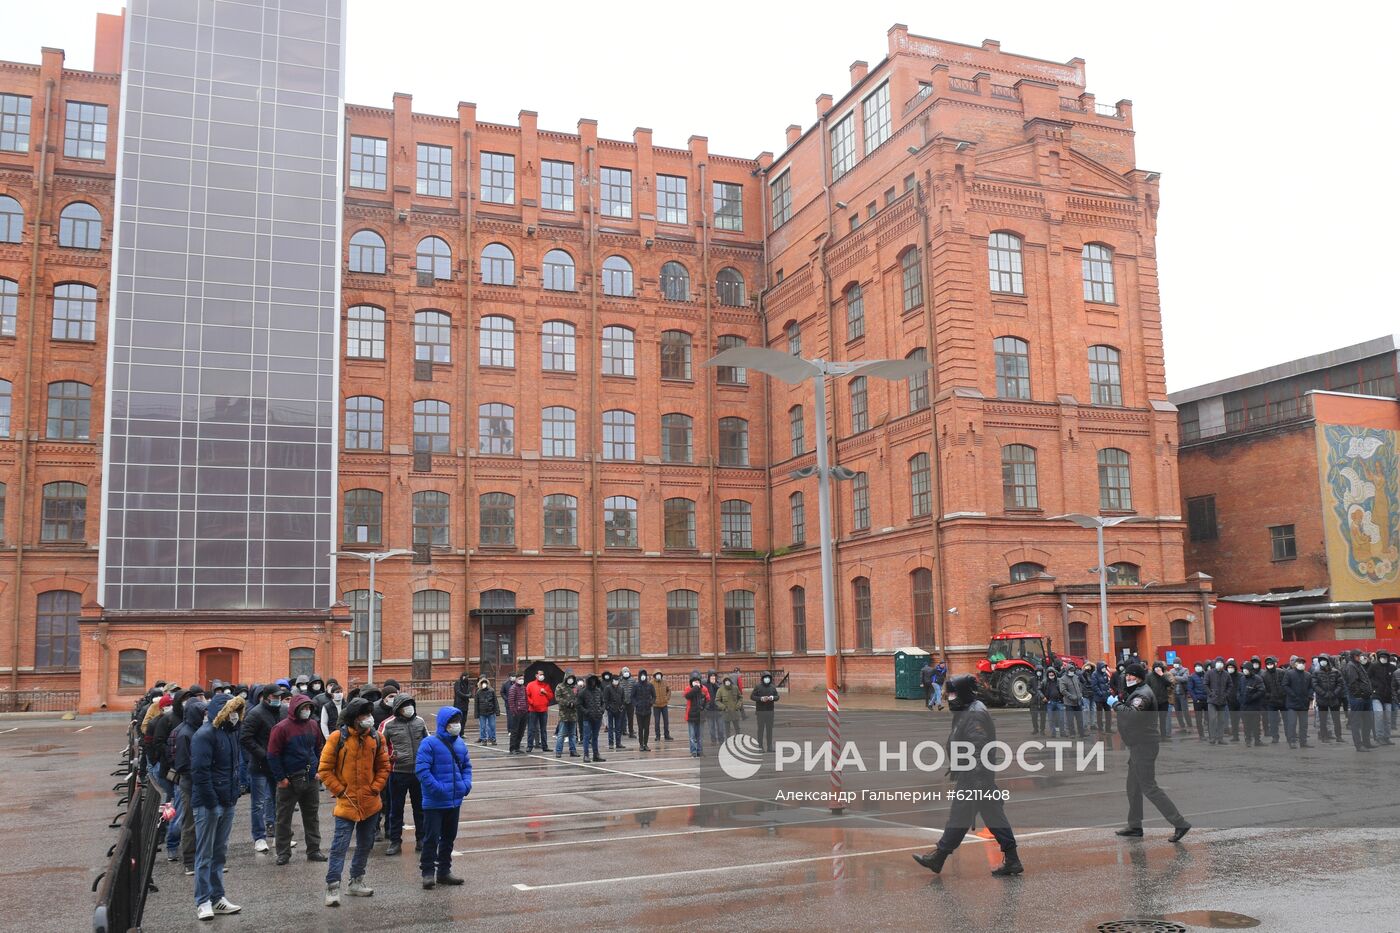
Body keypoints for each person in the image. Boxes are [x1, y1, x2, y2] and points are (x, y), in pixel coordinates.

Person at [912, 674, 1022, 877]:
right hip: (975, 775)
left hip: (975, 777)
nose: (950, 698)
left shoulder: (974, 714)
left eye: (953, 693)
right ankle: (1012, 860)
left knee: (960, 817)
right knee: (990, 817)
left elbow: (978, 746)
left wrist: (978, 779)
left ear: (963, 693)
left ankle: (939, 856)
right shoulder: (967, 710)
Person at [318, 697, 391, 907]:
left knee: (365, 845)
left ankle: (356, 881)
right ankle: (332, 887)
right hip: (346, 803)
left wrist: (375, 788)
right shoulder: (336, 738)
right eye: (364, 715)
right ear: (354, 718)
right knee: (339, 847)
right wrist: (340, 790)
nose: (368, 719)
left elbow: (384, 767)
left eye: (369, 715)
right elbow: (324, 769)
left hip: (370, 803)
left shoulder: (377, 738)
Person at [1110, 661, 1190, 843]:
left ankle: (1180, 823)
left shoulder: (1143, 694)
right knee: (1133, 786)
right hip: (1138, 744)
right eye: (1128, 675)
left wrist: (1115, 705)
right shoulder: (1137, 691)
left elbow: (1131, 714)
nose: (1129, 678)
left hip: (1144, 745)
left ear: (1139, 677)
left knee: (1149, 787)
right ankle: (1135, 825)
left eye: (1132, 676)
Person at [190, 693, 246, 921]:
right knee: (205, 854)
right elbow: (200, 773)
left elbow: (234, 766)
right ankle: (203, 901)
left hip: (227, 800)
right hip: (208, 804)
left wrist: (234, 794)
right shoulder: (204, 735)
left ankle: (217, 897)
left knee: (219, 853)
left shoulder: (231, 733)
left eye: (237, 712)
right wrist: (212, 803)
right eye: (230, 711)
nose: (234, 716)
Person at [266, 692, 326, 866]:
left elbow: (318, 748)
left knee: (312, 816)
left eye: (309, 708)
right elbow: (272, 755)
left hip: (310, 778)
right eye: (304, 708)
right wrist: (281, 778)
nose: (306, 711)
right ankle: (283, 852)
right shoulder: (281, 728)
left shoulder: (313, 725)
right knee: (284, 818)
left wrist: (317, 770)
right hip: (289, 780)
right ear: (295, 708)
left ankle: (314, 849)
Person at [416, 705, 472, 889]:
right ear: (443, 724)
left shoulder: (460, 744)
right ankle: (427, 873)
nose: (456, 725)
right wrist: (438, 789)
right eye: (452, 722)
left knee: (449, 837)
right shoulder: (429, 743)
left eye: (457, 721)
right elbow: (422, 770)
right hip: (434, 802)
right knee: (431, 838)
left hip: (454, 800)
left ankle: (444, 872)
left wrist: (465, 785)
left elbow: (466, 767)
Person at [240, 683, 287, 853]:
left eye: (279, 697)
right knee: (258, 803)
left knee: (277, 800)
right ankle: (259, 837)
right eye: (275, 697)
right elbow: (245, 738)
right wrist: (263, 754)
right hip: (259, 765)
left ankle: (277, 836)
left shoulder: (282, 711)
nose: (278, 700)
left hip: (276, 765)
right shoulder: (255, 714)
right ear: (266, 697)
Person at [380, 694, 427, 856]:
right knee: (395, 809)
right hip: (397, 773)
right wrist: (388, 759)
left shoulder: (420, 722)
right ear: (398, 708)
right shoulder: (388, 724)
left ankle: (421, 839)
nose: (409, 708)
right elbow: (378, 748)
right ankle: (395, 841)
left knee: (420, 808)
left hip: (418, 773)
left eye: (410, 704)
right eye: (405, 705)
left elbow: (428, 743)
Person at [169, 696, 207, 875]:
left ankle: (203, 859)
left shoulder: (198, 730)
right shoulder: (185, 733)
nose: (206, 716)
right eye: (203, 713)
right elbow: (183, 764)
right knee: (190, 823)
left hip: (199, 782)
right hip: (190, 784)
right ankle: (190, 861)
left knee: (203, 822)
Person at [1344, 649, 1375, 751]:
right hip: (1358, 698)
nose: (1360, 657)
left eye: (1361, 655)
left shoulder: (1358, 665)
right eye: (1358, 655)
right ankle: (1359, 745)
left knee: (1368, 721)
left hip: (1366, 697)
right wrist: (1360, 694)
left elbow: (1365, 680)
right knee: (1356, 723)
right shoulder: (1351, 666)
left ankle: (1366, 742)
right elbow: (1352, 683)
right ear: (1353, 656)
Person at [1282, 656, 1313, 749]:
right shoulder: (1289, 674)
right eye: (1299, 662)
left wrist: (1309, 696)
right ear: (1295, 664)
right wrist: (1292, 694)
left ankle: (1303, 742)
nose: (1301, 664)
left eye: (1303, 663)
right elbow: (1285, 685)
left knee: (1304, 725)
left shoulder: (1308, 675)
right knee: (1292, 723)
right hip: (1292, 704)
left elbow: (1311, 687)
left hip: (1304, 703)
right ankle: (1292, 741)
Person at [1313, 653, 1345, 743]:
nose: (1323, 662)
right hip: (1322, 699)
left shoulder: (1336, 672)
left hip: (1334, 699)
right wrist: (1324, 693)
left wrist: (1334, 693)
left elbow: (1340, 684)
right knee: (1323, 720)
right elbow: (1315, 685)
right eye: (1321, 660)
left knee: (1336, 719)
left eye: (1324, 660)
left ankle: (1339, 736)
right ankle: (1324, 736)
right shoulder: (1316, 672)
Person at [578, 674, 606, 762]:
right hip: (587, 719)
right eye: (591, 680)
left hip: (597, 717)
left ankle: (596, 754)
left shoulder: (599, 691)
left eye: (594, 680)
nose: (593, 682)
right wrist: (586, 712)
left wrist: (601, 710)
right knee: (586, 737)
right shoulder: (583, 692)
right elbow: (578, 704)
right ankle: (586, 755)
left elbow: (603, 702)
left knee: (595, 737)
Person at [1370, 649, 1395, 745]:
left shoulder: (1392, 668)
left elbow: (1395, 681)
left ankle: (1387, 737)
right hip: (1377, 695)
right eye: (1381, 657)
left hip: (1388, 696)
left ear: (1388, 658)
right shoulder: (1374, 666)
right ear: (1378, 657)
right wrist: (1375, 686)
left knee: (1388, 718)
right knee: (1379, 715)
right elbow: (1368, 678)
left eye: (1385, 657)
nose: (1383, 659)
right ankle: (1379, 737)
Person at [525, 671, 553, 753]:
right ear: (536, 675)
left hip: (543, 710)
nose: (542, 676)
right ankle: (529, 746)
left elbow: (551, 696)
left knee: (543, 729)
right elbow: (527, 696)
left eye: (543, 674)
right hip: (533, 710)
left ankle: (545, 746)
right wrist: (532, 703)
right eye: (540, 674)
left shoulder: (546, 685)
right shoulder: (530, 685)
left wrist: (545, 692)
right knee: (531, 729)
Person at [750, 671, 779, 751]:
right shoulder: (758, 687)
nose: (767, 679)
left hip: (770, 711)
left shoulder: (772, 687)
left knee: (769, 729)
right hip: (760, 711)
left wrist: (772, 698)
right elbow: (752, 696)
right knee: (761, 729)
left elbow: (777, 697)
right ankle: (760, 746)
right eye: (765, 678)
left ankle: (769, 746)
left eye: (768, 678)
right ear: (762, 679)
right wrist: (760, 699)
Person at [1240, 657, 1265, 747]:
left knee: (1256, 725)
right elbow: (1239, 691)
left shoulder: (1257, 679)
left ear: (1250, 670)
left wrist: (1252, 697)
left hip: (1255, 706)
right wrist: (1240, 699)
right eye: (1244, 669)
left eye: (1246, 669)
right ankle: (1248, 740)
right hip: (1244, 707)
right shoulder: (1242, 679)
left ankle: (1257, 740)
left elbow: (1262, 690)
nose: (1245, 671)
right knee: (1246, 725)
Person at [1204, 657, 1231, 745]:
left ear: (1224, 664)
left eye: (1221, 663)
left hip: (1222, 701)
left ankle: (1220, 738)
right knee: (1212, 719)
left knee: (1221, 720)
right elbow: (1205, 684)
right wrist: (1210, 693)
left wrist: (1226, 694)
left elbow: (1230, 685)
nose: (1219, 664)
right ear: (1215, 664)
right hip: (1212, 700)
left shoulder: (1226, 674)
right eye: (1218, 662)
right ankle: (1212, 738)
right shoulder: (1209, 673)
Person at [554, 674, 580, 757]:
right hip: (564, 714)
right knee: (561, 734)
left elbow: (579, 697)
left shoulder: (576, 687)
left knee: (572, 734)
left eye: (572, 678)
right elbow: (557, 697)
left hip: (573, 713)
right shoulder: (560, 686)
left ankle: (573, 751)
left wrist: (574, 703)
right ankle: (558, 751)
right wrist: (567, 703)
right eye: (569, 678)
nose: (570, 680)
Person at [602, 671, 627, 751]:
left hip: (619, 711)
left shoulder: (621, 688)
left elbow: (623, 699)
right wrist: (608, 707)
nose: (616, 681)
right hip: (611, 710)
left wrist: (622, 707)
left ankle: (618, 743)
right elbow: (605, 700)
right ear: (612, 681)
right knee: (610, 728)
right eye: (615, 680)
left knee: (618, 727)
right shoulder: (608, 688)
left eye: (617, 680)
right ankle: (611, 743)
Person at [684, 674, 708, 758]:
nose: (696, 683)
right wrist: (695, 688)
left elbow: (708, 699)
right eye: (694, 681)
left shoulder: (704, 689)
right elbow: (687, 696)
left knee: (700, 735)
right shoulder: (688, 689)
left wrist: (704, 709)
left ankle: (700, 750)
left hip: (700, 715)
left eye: (698, 681)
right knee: (692, 735)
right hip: (691, 715)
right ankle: (693, 751)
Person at [1146, 661, 1172, 739]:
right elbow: (1146, 687)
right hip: (1153, 701)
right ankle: (1154, 735)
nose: (1157, 669)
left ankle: (1163, 736)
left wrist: (1162, 675)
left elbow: (1169, 684)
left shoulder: (1164, 675)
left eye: (1159, 668)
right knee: (1153, 720)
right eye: (1156, 668)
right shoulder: (1149, 676)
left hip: (1163, 701)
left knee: (1163, 720)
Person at [505, 673, 529, 754]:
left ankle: (517, 747)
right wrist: (514, 711)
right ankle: (512, 748)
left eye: (522, 678)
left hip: (524, 712)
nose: (521, 680)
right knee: (514, 731)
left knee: (521, 731)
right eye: (520, 678)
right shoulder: (513, 688)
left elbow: (526, 699)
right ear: (516, 679)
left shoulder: (523, 688)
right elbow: (511, 701)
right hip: (516, 713)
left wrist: (526, 709)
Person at [632, 669, 655, 752]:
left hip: (647, 710)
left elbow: (654, 696)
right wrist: (636, 704)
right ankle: (641, 744)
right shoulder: (636, 685)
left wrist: (651, 703)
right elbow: (632, 697)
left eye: (644, 674)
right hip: (639, 711)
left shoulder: (650, 685)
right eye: (641, 674)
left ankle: (646, 744)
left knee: (647, 728)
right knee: (640, 728)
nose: (643, 676)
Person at [1187, 663, 1208, 741]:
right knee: (1198, 719)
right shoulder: (1192, 677)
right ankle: (1201, 735)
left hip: (1206, 700)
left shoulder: (1206, 675)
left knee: (1209, 718)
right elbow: (1190, 689)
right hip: (1198, 701)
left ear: (1202, 667)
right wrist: (1195, 699)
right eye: (1196, 666)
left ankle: (1210, 734)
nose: (1197, 668)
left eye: (1199, 666)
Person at [474, 677, 498, 745]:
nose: (484, 684)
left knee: (492, 726)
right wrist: (476, 714)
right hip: (482, 712)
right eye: (482, 683)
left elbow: (495, 701)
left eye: (485, 683)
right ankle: (483, 739)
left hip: (491, 712)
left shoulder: (492, 691)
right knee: (482, 727)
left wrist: (497, 711)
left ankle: (493, 739)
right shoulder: (478, 692)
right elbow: (476, 704)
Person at [1091, 662, 1113, 733]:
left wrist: (1108, 690)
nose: (1104, 668)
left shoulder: (1105, 674)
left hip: (1106, 697)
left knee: (1108, 713)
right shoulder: (1094, 675)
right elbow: (1094, 686)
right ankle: (1100, 729)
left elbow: (1107, 683)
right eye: (1103, 667)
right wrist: (1100, 693)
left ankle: (1108, 729)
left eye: (1105, 667)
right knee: (1099, 714)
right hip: (1099, 698)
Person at [1043, 667, 1064, 738]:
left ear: (1054, 674)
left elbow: (1063, 689)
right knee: (1051, 719)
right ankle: (1053, 733)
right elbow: (1039, 689)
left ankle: (1062, 733)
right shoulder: (1045, 682)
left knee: (1061, 718)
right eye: (1050, 674)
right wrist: (1043, 697)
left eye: (1052, 674)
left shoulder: (1059, 681)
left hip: (1059, 702)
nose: (1051, 675)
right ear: (1048, 674)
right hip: (1050, 703)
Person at [652, 671, 673, 742]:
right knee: (657, 722)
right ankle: (657, 736)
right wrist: (652, 701)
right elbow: (649, 693)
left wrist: (666, 698)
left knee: (666, 721)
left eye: (659, 675)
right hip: (656, 705)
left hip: (664, 705)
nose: (658, 676)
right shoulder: (651, 683)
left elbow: (669, 690)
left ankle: (667, 735)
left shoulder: (664, 682)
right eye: (657, 675)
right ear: (654, 676)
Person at [704, 671, 723, 744]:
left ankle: (721, 740)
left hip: (718, 709)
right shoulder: (706, 685)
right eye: (711, 676)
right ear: (708, 677)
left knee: (720, 728)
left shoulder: (719, 683)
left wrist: (714, 684)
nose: (712, 678)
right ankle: (713, 740)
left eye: (714, 676)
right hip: (710, 709)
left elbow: (721, 690)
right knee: (711, 727)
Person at [619, 667, 637, 738]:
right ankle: (621, 731)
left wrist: (634, 700)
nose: (626, 672)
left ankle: (631, 732)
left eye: (627, 671)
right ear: (622, 673)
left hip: (630, 702)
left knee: (630, 718)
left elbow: (635, 691)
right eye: (624, 671)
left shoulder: (633, 680)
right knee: (621, 718)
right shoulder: (619, 680)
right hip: (622, 702)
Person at [1028, 667, 1046, 735]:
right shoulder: (1032, 679)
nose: (1039, 672)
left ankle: (1042, 730)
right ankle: (1035, 729)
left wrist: (1044, 696)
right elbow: (1028, 688)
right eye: (1037, 671)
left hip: (1042, 701)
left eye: (1040, 671)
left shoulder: (1044, 680)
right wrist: (1034, 693)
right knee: (1034, 717)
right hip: (1034, 701)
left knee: (1043, 717)